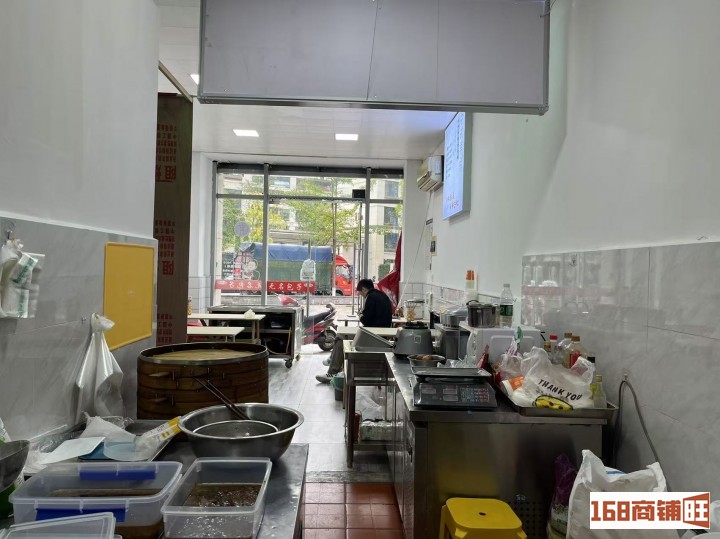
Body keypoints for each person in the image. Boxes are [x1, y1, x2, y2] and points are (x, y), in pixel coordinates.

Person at [315, 279, 393, 383]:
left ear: (364, 289)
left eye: (360, 293)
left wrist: (360, 315)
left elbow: (366, 321)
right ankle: (332, 362)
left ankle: (332, 370)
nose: (361, 295)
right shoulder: (383, 296)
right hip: (382, 336)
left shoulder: (370, 297)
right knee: (340, 336)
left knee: (340, 339)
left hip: (374, 338)